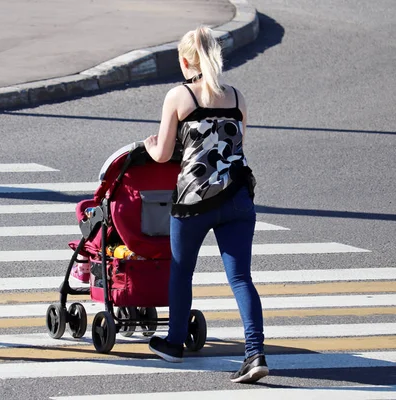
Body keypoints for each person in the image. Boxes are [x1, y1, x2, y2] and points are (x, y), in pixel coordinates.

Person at [143, 26, 267, 383]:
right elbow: (236, 143)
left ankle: (174, 343)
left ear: (185, 61)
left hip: (194, 199)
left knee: (182, 271)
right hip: (238, 196)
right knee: (241, 277)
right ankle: (255, 352)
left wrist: (151, 147)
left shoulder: (179, 96)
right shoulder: (236, 96)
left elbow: (164, 153)